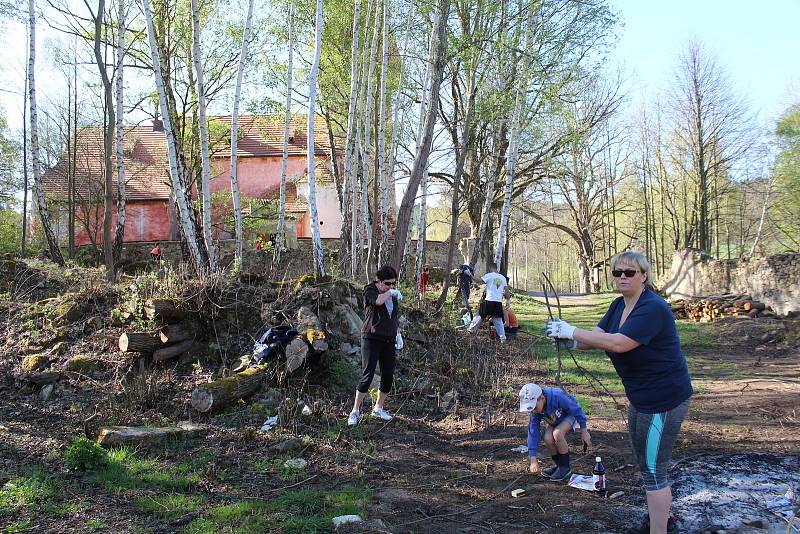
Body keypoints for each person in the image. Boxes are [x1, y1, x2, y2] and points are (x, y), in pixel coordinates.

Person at [546, 250, 692, 534]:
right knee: (645, 463)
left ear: (644, 276)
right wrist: (569, 341)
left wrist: (571, 330)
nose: (622, 277)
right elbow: (599, 337)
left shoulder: (652, 307)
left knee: (653, 470)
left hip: (664, 399)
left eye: (629, 272)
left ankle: (659, 529)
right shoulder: (618, 305)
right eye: (617, 273)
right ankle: (662, 519)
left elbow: (619, 343)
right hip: (641, 397)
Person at [348, 265, 402, 426]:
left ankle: (378, 408)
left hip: (389, 338)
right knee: (368, 374)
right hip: (371, 337)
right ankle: (355, 411)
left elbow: (393, 316)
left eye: (393, 284)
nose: (391, 286)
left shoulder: (391, 294)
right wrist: (389, 293)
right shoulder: (370, 290)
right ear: (379, 281)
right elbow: (377, 302)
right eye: (387, 283)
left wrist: (397, 334)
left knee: (388, 374)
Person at [519, 382, 592, 481]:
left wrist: (584, 431)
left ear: (542, 398)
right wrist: (533, 458)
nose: (534, 411)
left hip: (569, 415)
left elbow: (576, 409)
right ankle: (558, 466)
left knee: (557, 433)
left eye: (534, 407)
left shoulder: (558, 396)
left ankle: (565, 467)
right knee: (548, 438)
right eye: (531, 409)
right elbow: (533, 431)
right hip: (554, 419)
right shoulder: (535, 411)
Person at [467, 262, 510, 342]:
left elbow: (477, 280)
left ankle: (471, 330)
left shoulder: (489, 275)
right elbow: (507, 291)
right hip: (498, 303)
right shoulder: (502, 278)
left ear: (490, 268)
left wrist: (469, 274)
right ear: (496, 268)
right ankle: (503, 338)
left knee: (479, 315)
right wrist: (508, 301)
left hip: (489, 300)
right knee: (498, 321)